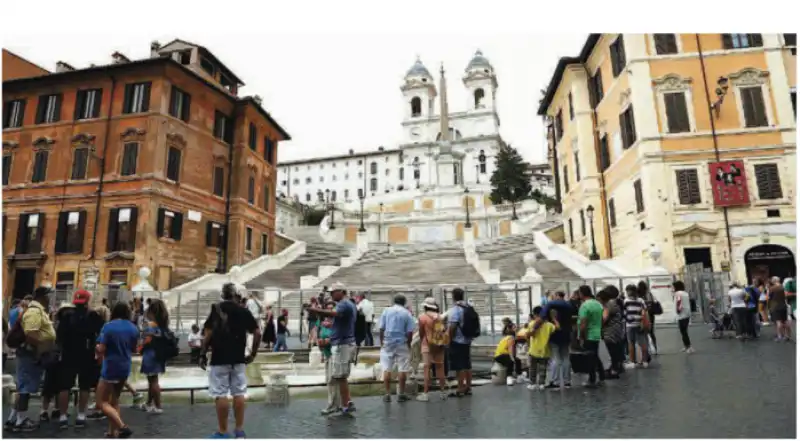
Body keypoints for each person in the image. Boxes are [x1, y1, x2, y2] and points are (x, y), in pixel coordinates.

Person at [200, 283, 261, 439]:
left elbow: (208, 334)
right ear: (236, 295)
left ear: (223, 294)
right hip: (239, 358)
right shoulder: (243, 311)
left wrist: (202, 353)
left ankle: (223, 431)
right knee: (239, 393)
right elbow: (257, 332)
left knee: (220, 394)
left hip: (219, 357)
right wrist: (253, 353)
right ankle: (239, 429)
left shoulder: (216, 309)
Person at [7, 287, 57, 432]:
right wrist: (41, 350)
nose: (50, 298)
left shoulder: (37, 310)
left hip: (30, 354)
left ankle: (13, 419)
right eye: (49, 295)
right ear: (43, 297)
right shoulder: (35, 311)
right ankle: (20, 422)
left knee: (23, 387)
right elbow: (30, 334)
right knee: (25, 389)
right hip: (30, 355)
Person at [54, 290, 105, 429]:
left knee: (64, 386)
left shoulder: (66, 316)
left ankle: (63, 417)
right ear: (87, 300)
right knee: (84, 386)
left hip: (68, 354)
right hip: (86, 354)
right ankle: (81, 415)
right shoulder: (93, 315)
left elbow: (58, 336)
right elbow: (101, 333)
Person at [306, 282, 357, 415]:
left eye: (333, 292)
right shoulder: (348, 304)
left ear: (341, 291)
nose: (331, 294)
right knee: (340, 376)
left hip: (342, 343)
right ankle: (346, 403)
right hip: (343, 342)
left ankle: (347, 404)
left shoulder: (344, 304)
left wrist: (316, 310)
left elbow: (334, 313)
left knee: (340, 376)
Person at [95, 302, 139, 439]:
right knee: (114, 401)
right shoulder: (133, 328)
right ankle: (112, 432)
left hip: (110, 367)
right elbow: (135, 349)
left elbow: (101, 349)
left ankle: (122, 427)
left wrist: (95, 347)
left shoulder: (108, 327)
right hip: (124, 366)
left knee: (101, 402)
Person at [378, 294, 415, 402]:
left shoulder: (386, 311)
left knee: (386, 368)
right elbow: (410, 332)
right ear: (404, 303)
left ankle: (387, 393)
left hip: (388, 343)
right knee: (402, 368)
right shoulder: (407, 313)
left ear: (394, 301)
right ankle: (401, 393)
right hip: (401, 343)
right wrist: (408, 344)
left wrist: (382, 342)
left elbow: (381, 328)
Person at [140, 299, 171, 414]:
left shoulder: (150, 325)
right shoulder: (163, 325)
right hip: (159, 354)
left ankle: (158, 406)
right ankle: (149, 403)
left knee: (153, 381)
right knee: (152, 379)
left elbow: (144, 339)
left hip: (150, 354)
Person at [538, 291, 573, 389]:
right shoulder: (569, 305)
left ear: (557, 296)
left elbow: (542, 317)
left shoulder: (551, 305)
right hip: (566, 333)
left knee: (555, 358)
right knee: (566, 357)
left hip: (555, 334)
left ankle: (555, 381)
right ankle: (567, 381)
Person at [416, 297, 448, 402]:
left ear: (425, 306)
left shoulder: (422, 317)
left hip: (427, 344)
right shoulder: (439, 317)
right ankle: (443, 392)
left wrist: (422, 341)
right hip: (439, 344)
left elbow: (421, 332)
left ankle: (425, 393)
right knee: (440, 367)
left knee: (427, 368)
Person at [448, 288, 478, 397]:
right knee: (467, 364)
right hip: (467, 340)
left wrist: (449, 339)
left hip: (457, 341)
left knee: (459, 366)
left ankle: (460, 388)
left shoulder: (455, 309)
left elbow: (453, 326)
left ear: (453, 296)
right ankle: (468, 387)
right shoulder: (468, 307)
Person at [577, 286, 605, 387]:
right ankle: (601, 375)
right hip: (596, 333)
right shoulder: (598, 304)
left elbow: (583, 323)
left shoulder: (584, 306)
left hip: (588, 334)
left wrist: (581, 336)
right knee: (595, 355)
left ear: (582, 294)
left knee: (590, 357)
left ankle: (592, 379)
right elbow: (602, 319)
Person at [316, 302, 340, 412]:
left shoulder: (337, 323)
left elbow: (339, 337)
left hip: (335, 354)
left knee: (332, 380)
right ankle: (334, 404)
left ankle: (333, 405)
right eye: (328, 309)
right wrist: (320, 344)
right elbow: (320, 336)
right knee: (329, 380)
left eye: (332, 308)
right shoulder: (322, 323)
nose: (330, 311)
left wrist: (327, 341)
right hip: (326, 353)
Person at [526, 306, 558, 390]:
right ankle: (541, 384)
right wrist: (554, 319)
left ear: (535, 314)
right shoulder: (549, 325)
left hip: (533, 350)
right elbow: (558, 327)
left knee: (533, 368)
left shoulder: (532, 324)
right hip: (545, 350)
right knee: (543, 368)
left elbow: (528, 335)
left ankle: (532, 384)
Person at [599, 287, 626, 378]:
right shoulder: (617, 302)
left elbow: (604, 318)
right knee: (617, 350)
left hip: (610, 331)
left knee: (612, 350)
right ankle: (617, 367)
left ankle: (614, 370)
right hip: (617, 330)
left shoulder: (610, 304)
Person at [623, 284, 649, 368]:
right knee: (643, 343)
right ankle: (645, 362)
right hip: (639, 324)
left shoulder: (626, 301)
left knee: (631, 343)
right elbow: (644, 311)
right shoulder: (641, 300)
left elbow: (624, 313)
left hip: (630, 325)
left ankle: (632, 362)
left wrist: (628, 319)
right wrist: (643, 321)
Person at [671, 280, 694, 352]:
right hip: (687, 313)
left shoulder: (678, 294)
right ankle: (686, 345)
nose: (673, 288)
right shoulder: (685, 293)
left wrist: (677, 311)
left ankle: (689, 347)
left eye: (673, 287)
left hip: (681, 315)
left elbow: (678, 302)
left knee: (683, 332)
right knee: (685, 331)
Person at [638, 281, 658, 355]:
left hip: (641, 315)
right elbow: (652, 303)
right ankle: (655, 348)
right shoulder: (649, 294)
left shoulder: (638, 296)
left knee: (642, 333)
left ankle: (646, 348)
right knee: (651, 332)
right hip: (650, 315)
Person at [768, 277, 791, 342]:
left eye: (772, 280)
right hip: (783, 305)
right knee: (785, 321)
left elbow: (769, 297)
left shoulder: (772, 288)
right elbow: (786, 295)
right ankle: (787, 336)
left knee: (778, 322)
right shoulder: (783, 287)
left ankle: (779, 336)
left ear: (774, 281)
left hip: (775, 306)